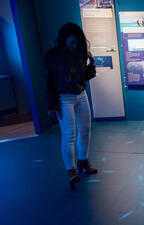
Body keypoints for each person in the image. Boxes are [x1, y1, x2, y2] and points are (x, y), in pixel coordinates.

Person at [45, 23, 97, 189]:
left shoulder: (80, 53)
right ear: (64, 40)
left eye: (77, 43)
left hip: (81, 95)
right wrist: (51, 105)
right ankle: (71, 171)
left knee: (86, 130)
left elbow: (85, 77)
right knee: (69, 135)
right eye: (72, 42)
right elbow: (48, 82)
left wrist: (91, 63)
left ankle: (83, 161)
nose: (75, 46)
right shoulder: (52, 55)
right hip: (63, 97)